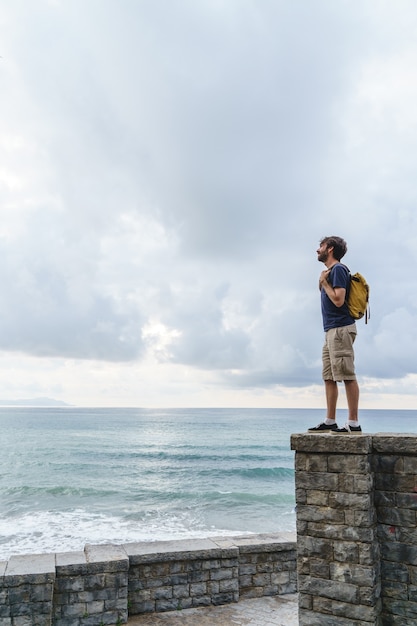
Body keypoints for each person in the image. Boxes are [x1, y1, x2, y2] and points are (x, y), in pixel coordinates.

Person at [308, 236, 361, 434]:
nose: (317, 250)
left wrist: (325, 282)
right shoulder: (330, 272)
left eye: (320, 246)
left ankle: (353, 423)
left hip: (340, 329)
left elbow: (338, 300)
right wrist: (322, 279)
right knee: (329, 376)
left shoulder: (338, 269)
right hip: (331, 330)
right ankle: (330, 420)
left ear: (330, 249)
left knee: (347, 374)